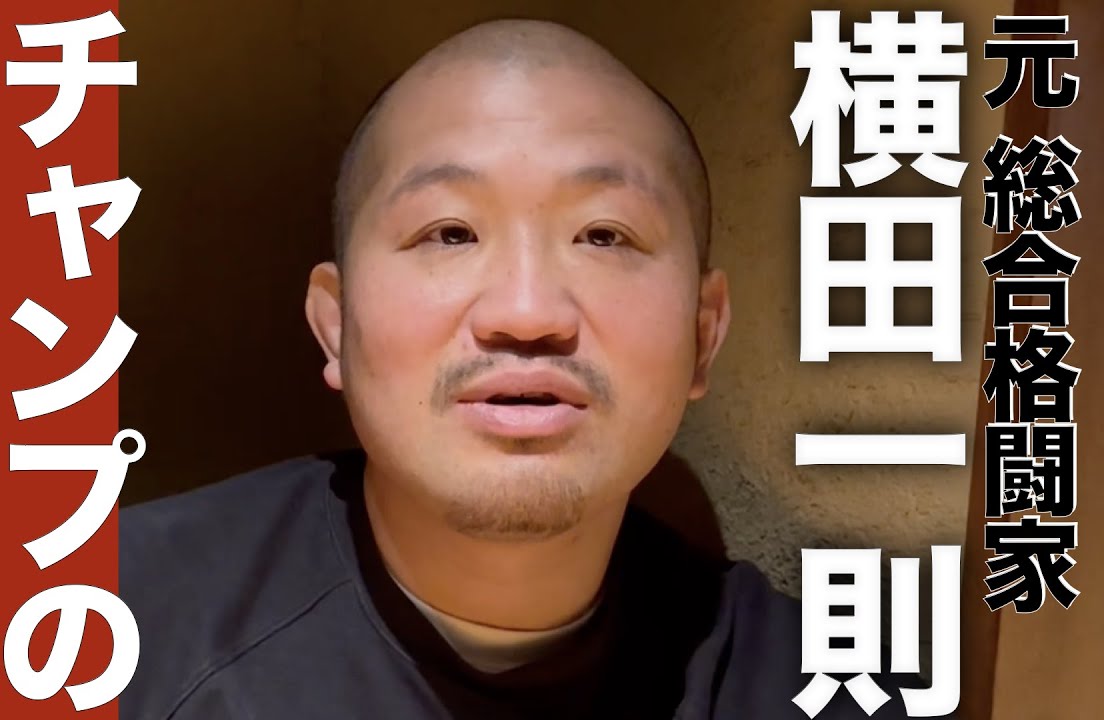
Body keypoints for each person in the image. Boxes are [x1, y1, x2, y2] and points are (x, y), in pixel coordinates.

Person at [120, 18, 933, 720]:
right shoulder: (108, 624)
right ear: (334, 326)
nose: (527, 311)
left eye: (604, 235)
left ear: (703, 334)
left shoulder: (826, 691)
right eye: (449, 233)